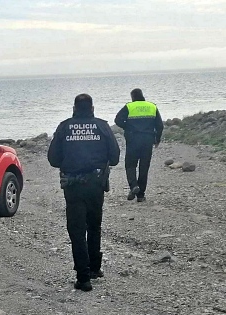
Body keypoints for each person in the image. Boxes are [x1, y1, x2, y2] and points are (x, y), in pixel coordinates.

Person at [47, 94, 120, 291]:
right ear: (92, 108)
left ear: (74, 108)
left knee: (77, 230)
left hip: (73, 185)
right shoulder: (102, 126)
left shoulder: (64, 127)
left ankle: (83, 277)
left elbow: (53, 159)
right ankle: (95, 268)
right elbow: (114, 158)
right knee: (94, 225)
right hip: (96, 184)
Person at [115, 88, 164, 202]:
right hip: (147, 140)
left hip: (133, 139)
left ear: (132, 97)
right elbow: (159, 125)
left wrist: (127, 127)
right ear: (142, 96)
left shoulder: (129, 106)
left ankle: (133, 186)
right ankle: (141, 195)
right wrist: (157, 139)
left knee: (130, 165)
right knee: (144, 167)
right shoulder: (152, 106)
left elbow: (117, 120)